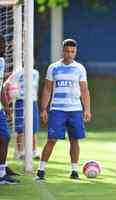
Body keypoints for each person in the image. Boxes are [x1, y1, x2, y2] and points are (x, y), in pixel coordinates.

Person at [36, 39, 91, 180]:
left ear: (75, 52)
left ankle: (74, 171)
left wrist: (87, 109)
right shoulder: (53, 67)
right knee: (52, 139)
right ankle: (41, 170)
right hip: (57, 110)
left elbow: (84, 90)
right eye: (67, 51)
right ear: (63, 51)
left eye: (72, 51)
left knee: (74, 140)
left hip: (75, 110)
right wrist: (43, 109)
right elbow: (47, 89)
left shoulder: (80, 68)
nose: (70, 54)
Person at [4, 67, 40, 160]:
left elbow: (34, 87)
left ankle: (34, 151)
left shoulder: (35, 73)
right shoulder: (17, 73)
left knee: (33, 128)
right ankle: (20, 152)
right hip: (20, 101)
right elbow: (8, 84)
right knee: (20, 128)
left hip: (32, 101)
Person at [0, 34, 20, 184]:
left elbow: (0, 87)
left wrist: (7, 108)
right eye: (1, 45)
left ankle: (2, 172)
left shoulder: (1, 62)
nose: (3, 48)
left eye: (4, 45)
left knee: (5, 137)